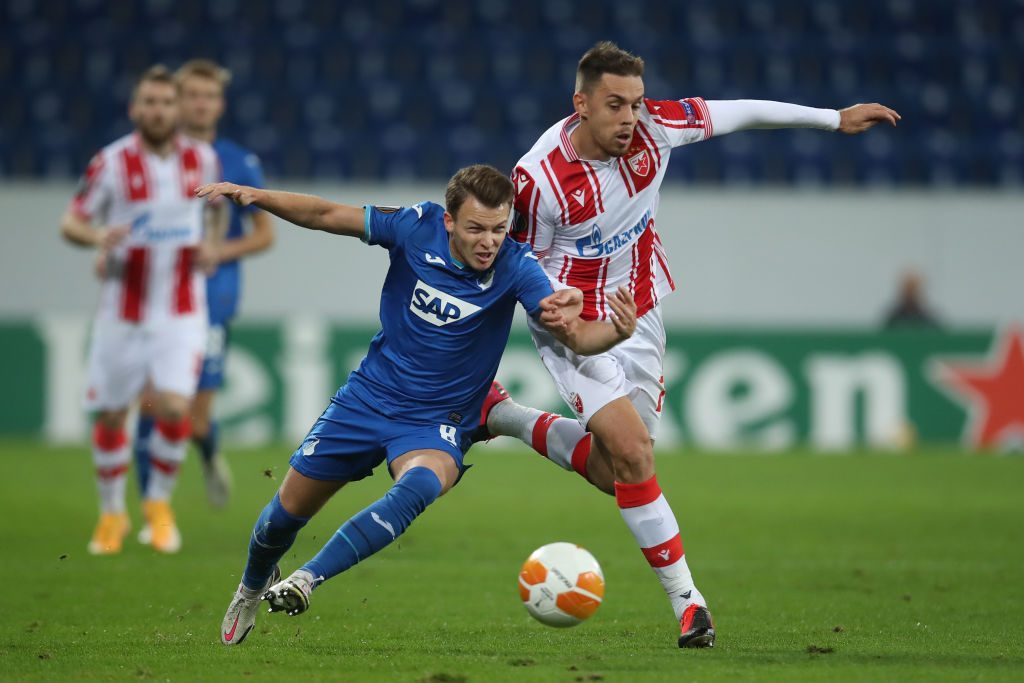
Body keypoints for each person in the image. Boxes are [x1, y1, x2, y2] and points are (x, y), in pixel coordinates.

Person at [477, 41, 901, 648]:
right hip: (572, 326)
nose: (629, 118)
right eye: (615, 105)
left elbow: (739, 112)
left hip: (641, 310)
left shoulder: (656, 129)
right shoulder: (538, 177)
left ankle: (506, 417)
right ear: (581, 104)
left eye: (636, 103)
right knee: (633, 453)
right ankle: (688, 603)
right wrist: (556, 307)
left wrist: (832, 119)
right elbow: (518, 263)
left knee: (616, 468)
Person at [199, 165, 638, 646]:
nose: (489, 241)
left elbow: (573, 332)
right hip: (366, 400)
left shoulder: (517, 266)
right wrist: (257, 195)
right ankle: (250, 587)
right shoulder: (413, 227)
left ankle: (306, 578)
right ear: (449, 222)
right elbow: (326, 212)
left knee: (421, 486)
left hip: (436, 423)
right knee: (282, 518)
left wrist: (613, 332)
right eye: (475, 228)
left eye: (498, 228)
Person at [60, 65, 223, 555]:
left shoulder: (203, 159)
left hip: (181, 308)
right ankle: (112, 514)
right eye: (148, 102)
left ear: (177, 108)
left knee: (175, 406)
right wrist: (96, 237)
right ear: (135, 109)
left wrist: (212, 247)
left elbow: (216, 210)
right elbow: (73, 220)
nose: (158, 110)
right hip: (122, 309)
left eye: (165, 102)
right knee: (112, 415)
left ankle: (158, 505)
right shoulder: (110, 163)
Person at [133, 59, 275, 511]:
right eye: (192, 94)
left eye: (208, 96)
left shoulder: (238, 162)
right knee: (150, 406)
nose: (200, 104)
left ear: (220, 105)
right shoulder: (154, 161)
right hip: (157, 297)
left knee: (194, 420)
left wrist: (219, 252)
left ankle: (209, 452)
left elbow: (264, 235)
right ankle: (151, 515)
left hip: (213, 298)